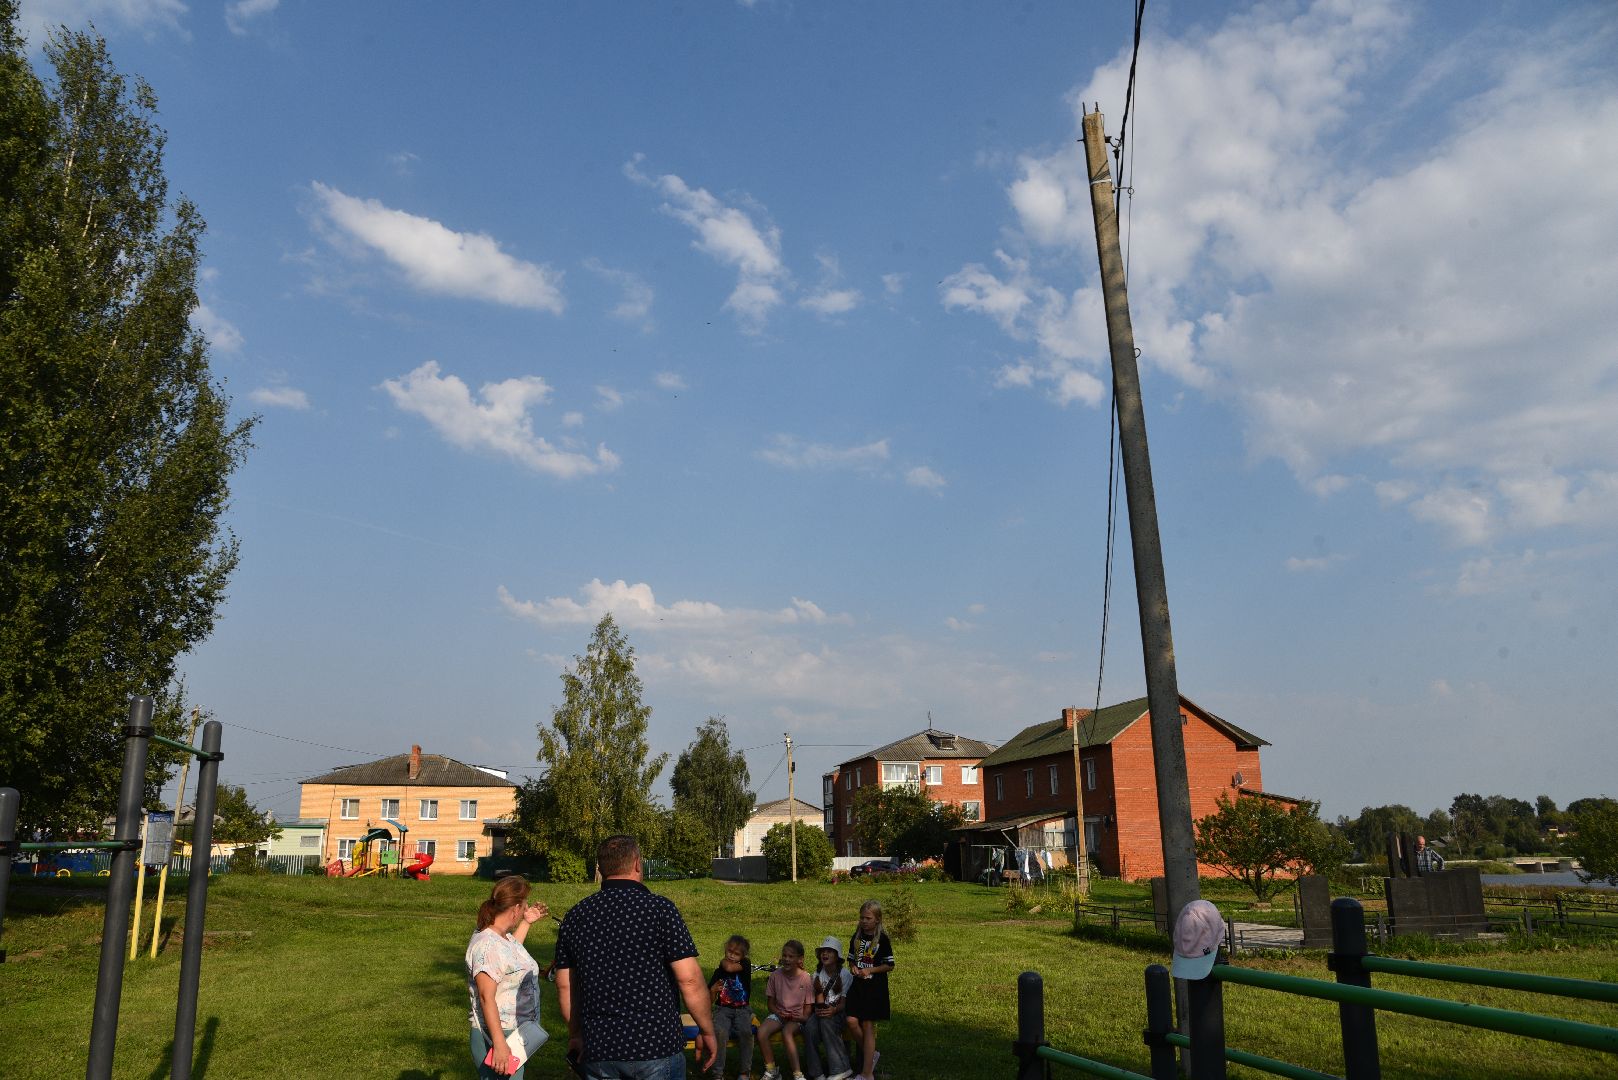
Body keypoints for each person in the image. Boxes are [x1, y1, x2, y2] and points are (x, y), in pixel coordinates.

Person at [555, 835, 718, 1079]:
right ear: (638, 864)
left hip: (599, 1050)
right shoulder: (659, 909)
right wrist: (707, 1029)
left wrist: (575, 1034)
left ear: (600, 868)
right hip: (655, 1047)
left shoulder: (576, 916)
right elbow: (690, 980)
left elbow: (566, 985)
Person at [466, 875, 550, 1078]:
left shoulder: (501, 938)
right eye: (524, 908)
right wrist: (500, 1044)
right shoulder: (487, 945)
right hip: (498, 1034)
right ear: (515, 909)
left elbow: (510, 956)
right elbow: (487, 997)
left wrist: (527, 923)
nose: (524, 912)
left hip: (513, 1033)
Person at [844, 900, 894, 1080]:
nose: (864, 921)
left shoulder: (882, 939)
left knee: (867, 1025)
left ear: (878, 919)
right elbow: (851, 958)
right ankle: (871, 1054)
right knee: (850, 1020)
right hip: (858, 986)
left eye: (868, 918)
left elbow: (889, 965)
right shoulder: (856, 937)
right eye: (861, 918)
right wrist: (853, 967)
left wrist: (870, 970)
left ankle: (866, 1074)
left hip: (875, 988)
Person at [757, 939, 813, 1080]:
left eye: (791, 956)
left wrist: (799, 1017)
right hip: (779, 1015)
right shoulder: (775, 976)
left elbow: (807, 1011)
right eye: (785, 956)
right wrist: (778, 1012)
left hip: (797, 1019)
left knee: (787, 1032)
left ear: (800, 959)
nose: (786, 959)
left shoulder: (806, 978)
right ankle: (772, 1070)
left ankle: (797, 1074)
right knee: (761, 1031)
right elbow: (770, 1004)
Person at [802, 936, 853, 1080]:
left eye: (830, 951)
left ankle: (841, 1069)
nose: (825, 954)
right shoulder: (817, 974)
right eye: (823, 951)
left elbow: (843, 1003)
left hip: (840, 1012)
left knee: (826, 1022)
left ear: (837, 956)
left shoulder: (845, 975)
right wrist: (819, 1009)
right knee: (809, 1028)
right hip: (823, 1012)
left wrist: (833, 1010)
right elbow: (819, 999)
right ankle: (816, 1072)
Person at [708, 934, 756, 1080]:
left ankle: (744, 1072)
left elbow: (729, 966)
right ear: (725, 950)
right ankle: (718, 1074)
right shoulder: (718, 972)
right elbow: (709, 1001)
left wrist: (724, 961)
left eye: (736, 954)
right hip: (723, 1010)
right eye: (729, 951)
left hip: (742, 1010)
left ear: (743, 956)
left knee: (746, 1033)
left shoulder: (745, 965)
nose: (732, 956)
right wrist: (712, 991)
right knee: (720, 1032)